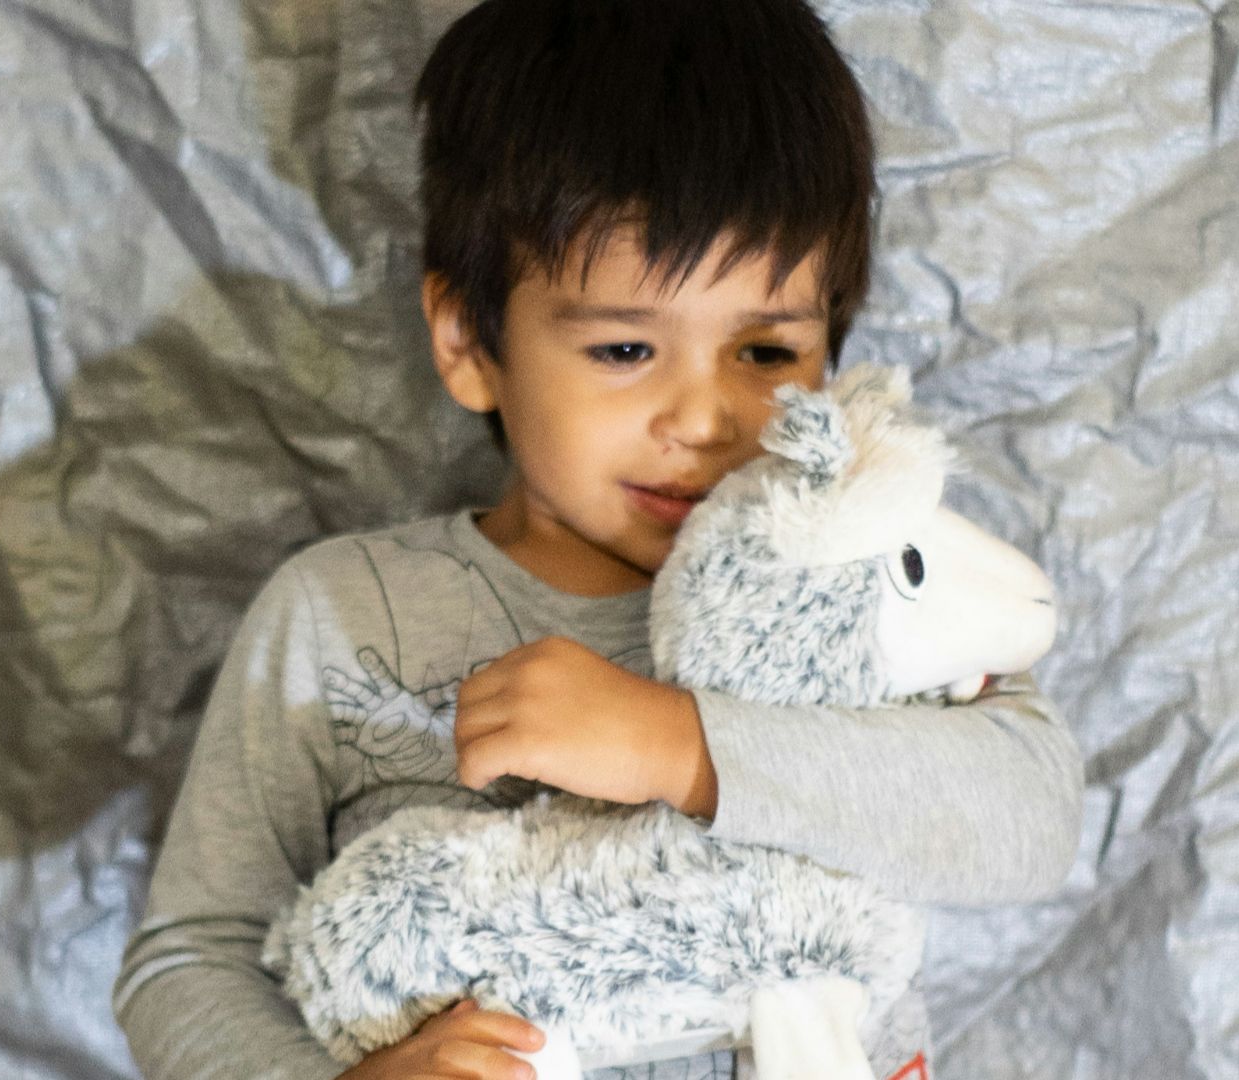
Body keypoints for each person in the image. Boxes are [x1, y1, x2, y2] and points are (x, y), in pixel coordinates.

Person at [111, 1, 1085, 1077]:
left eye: (765, 353)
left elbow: (1033, 812)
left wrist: (682, 746)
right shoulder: (345, 614)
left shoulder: (867, 580)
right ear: (470, 343)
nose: (705, 419)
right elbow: (190, 958)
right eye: (626, 347)